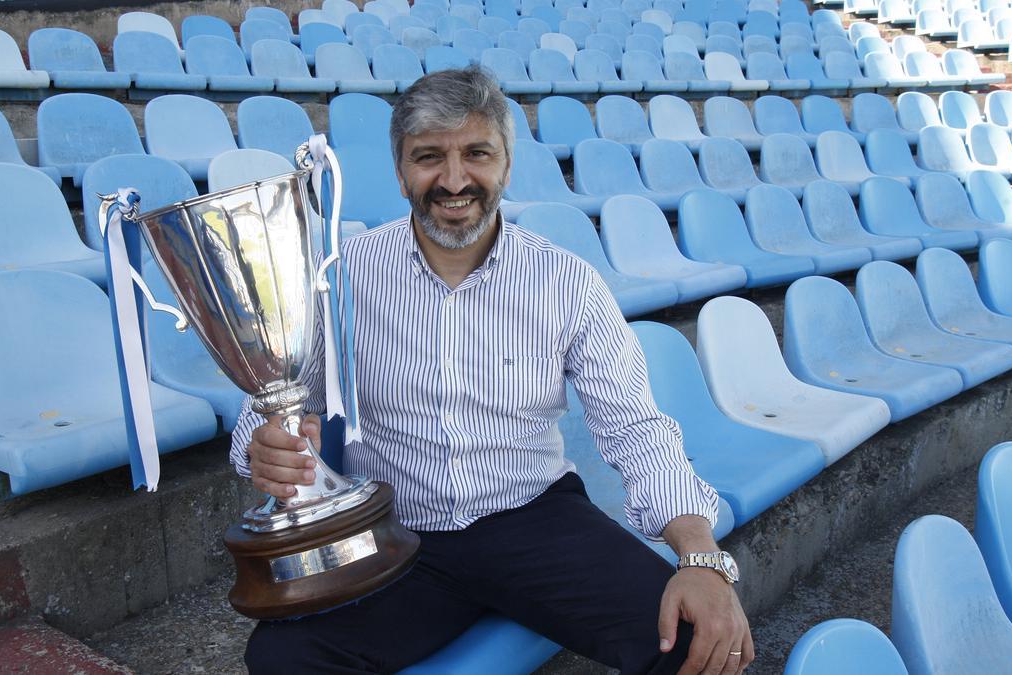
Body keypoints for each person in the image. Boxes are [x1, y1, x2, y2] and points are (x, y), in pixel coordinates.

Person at [230, 67, 753, 674]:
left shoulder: (566, 283)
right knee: (282, 659)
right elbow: (265, 411)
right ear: (400, 172)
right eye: (429, 157)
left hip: (535, 521)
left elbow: (635, 427)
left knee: (695, 642)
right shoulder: (338, 278)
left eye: (476, 153)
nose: (454, 181)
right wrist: (264, 447)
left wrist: (699, 557)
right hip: (397, 536)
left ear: (505, 165)